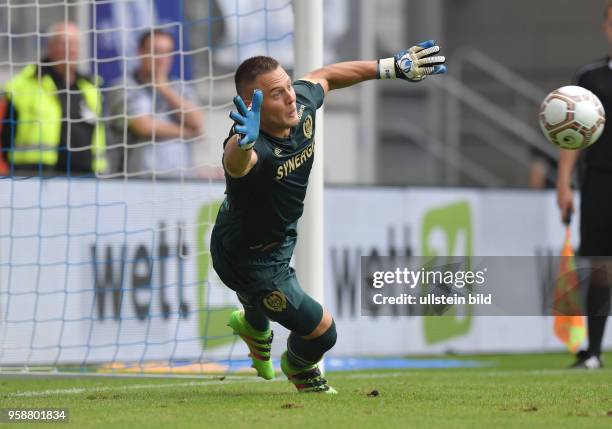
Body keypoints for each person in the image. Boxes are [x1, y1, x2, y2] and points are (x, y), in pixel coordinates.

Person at [210, 42, 446, 393]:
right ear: (252, 105)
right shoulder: (251, 144)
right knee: (323, 333)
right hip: (248, 259)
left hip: (277, 238)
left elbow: (325, 76)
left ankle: (253, 326)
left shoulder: (301, 107)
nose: (291, 97)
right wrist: (241, 144)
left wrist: (390, 67)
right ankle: (299, 368)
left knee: (259, 307)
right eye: (277, 94)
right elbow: (236, 163)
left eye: (288, 85)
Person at [556, 1, 612, 369]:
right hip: (600, 180)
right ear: (607, 27)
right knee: (601, 267)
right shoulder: (590, 79)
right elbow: (571, 134)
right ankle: (592, 352)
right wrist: (563, 182)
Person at [0, 21, 107, 175]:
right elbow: (5, 133)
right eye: (63, 43)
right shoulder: (23, 84)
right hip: (33, 175)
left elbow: (100, 135)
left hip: (85, 178)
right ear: (49, 46)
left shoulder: (90, 88)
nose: (70, 49)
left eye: (74, 44)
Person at [108, 29, 203, 176]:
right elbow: (143, 126)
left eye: (167, 52)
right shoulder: (124, 86)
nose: (161, 58)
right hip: (138, 179)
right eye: (156, 51)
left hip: (182, 179)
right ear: (140, 52)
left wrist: (164, 89)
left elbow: (197, 121)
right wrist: (187, 132)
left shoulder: (180, 87)